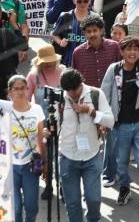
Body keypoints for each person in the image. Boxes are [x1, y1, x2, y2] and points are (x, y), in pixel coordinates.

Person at [100, 28, 139, 211]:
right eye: (128, 49)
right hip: (120, 124)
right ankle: (124, 187)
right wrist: (104, 120)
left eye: (136, 49)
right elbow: (104, 94)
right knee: (121, 161)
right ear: (122, 52)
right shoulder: (114, 69)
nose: (132, 52)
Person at [58, 69, 114, 222]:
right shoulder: (61, 98)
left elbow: (110, 121)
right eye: (68, 91)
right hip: (67, 156)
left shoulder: (96, 94)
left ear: (81, 83)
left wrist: (90, 111)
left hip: (91, 155)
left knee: (93, 199)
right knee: (73, 203)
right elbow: (55, 125)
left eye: (75, 90)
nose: (72, 94)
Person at [7, 74, 45, 222]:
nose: (20, 92)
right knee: (15, 209)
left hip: (30, 165)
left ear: (28, 89)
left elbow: (40, 139)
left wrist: (45, 162)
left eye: (23, 88)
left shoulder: (36, 109)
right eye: (16, 89)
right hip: (10, 167)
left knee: (31, 207)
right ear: (9, 91)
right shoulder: (3, 111)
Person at [71, 15, 122, 88]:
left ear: (101, 31)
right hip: (88, 95)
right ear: (84, 33)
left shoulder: (114, 47)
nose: (92, 34)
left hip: (110, 93)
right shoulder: (78, 52)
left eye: (95, 30)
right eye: (88, 31)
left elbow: (121, 71)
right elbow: (75, 78)